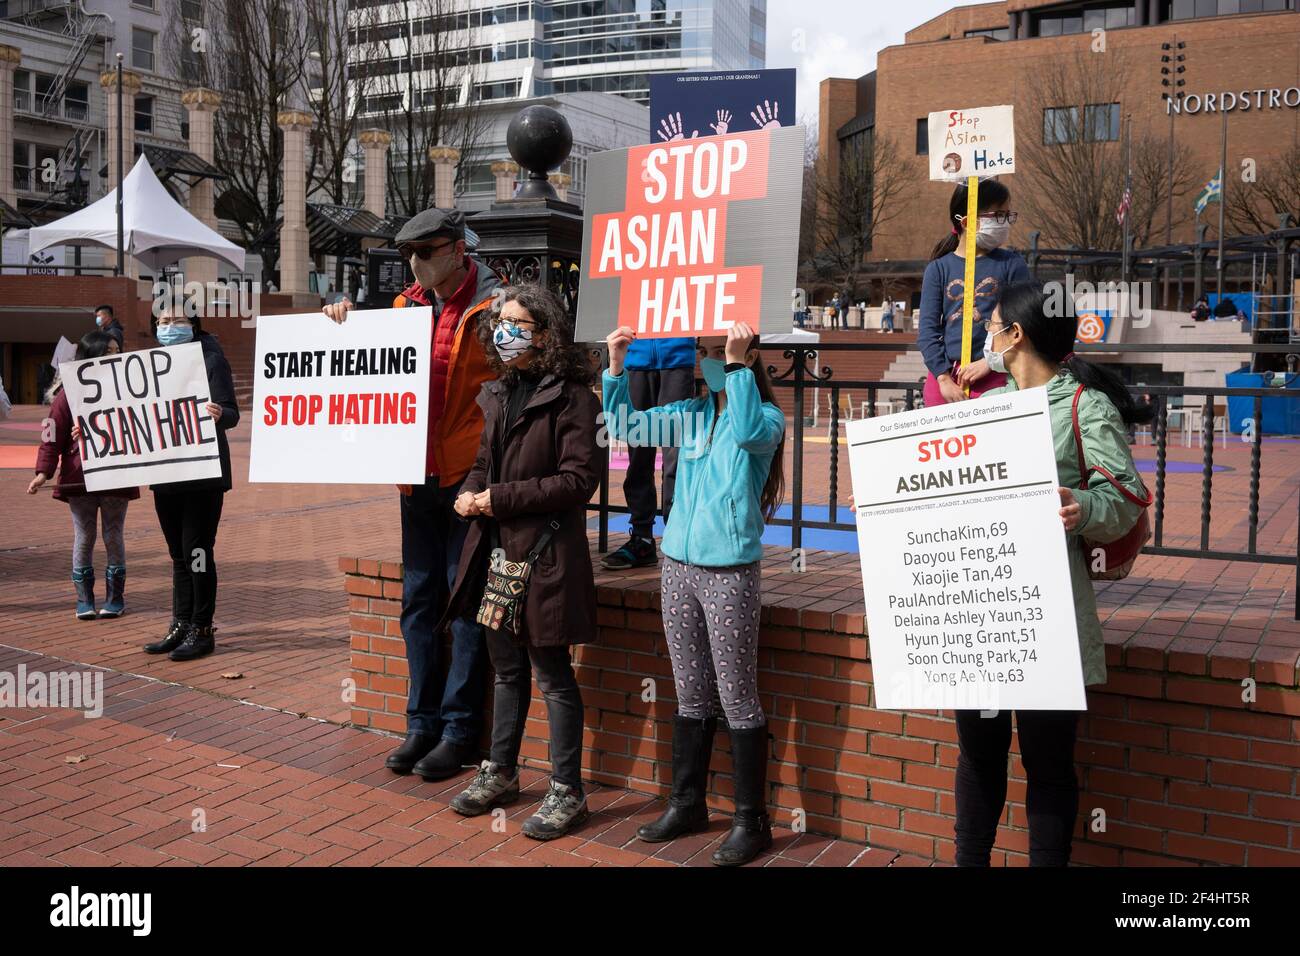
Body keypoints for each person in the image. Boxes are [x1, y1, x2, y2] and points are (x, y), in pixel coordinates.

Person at [955, 281, 1151, 867]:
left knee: (1046, 765)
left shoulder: (1082, 404)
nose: (986, 335)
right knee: (979, 756)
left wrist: (1084, 507)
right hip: (980, 610)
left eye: (992, 324)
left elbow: (1128, 500)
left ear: (1015, 335)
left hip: (1049, 616)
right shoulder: (987, 407)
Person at [323, 207, 499, 781]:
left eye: (426, 253)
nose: (416, 264)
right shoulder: (403, 306)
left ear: (456, 250)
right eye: (409, 255)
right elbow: (369, 369)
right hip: (413, 475)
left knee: (465, 603)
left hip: (468, 481)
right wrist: (343, 321)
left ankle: (457, 731)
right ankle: (420, 723)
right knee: (419, 602)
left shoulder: (493, 305)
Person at [604, 320, 786, 867]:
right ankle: (688, 802)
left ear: (748, 357)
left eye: (719, 351)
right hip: (677, 567)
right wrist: (616, 367)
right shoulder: (689, 415)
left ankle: (752, 821)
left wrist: (737, 364)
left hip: (728, 571)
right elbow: (626, 427)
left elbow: (753, 432)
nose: (708, 361)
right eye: (703, 352)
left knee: (736, 695)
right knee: (690, 691)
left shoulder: (764, 416)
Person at [444, 284, 601, 839]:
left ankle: (567, 791)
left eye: (517, 323)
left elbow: (578, 481)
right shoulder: (501, 392)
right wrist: (469, 493)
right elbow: (484, 462)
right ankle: (501, 771)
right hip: (495, 552)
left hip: (546, 555)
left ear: (545, 333)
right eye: (500, 323)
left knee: (553, 674)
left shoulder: (573, 396)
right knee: (506, 669)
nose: (504, 332)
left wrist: (498, 499)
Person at [142, 309, 239, 661]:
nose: (170, 328)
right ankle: (180, 623)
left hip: (203, 475)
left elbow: (232, 412)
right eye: (163, 322)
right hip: (167, 475)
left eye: (179, 321)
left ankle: (202, 628)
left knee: (197, 552)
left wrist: (219, 414)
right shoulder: (151, 365)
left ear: (194, 325)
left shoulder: (211, 360)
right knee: (179, 556)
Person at [27, 331, 139, 619]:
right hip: (79, 476)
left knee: (113, 535)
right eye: (107, 351)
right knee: (84, 535)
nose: (114, 355)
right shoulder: (67, 395)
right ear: (91, 356)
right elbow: (51, 435)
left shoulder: (132, 389)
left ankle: (115, 598)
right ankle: (84, 600)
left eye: (117, 350)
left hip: (116, 473)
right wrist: (43, 471)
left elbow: (143, 426)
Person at [919, 180, 1030, 406]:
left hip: (998, 375)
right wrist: (943, 377)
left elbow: (1024, 319)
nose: (1005, 223)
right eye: (998, 215)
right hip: (947, 381)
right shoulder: (938, 269)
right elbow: (927, 331)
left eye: (1008, 215)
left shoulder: (1012, 264)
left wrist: (990, 362)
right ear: (969, 222)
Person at [600, 332, 694, 571]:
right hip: (635, 357)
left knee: (676, 455)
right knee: (638, 453)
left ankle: (678, 536)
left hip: (678, 356)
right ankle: (642, 538)